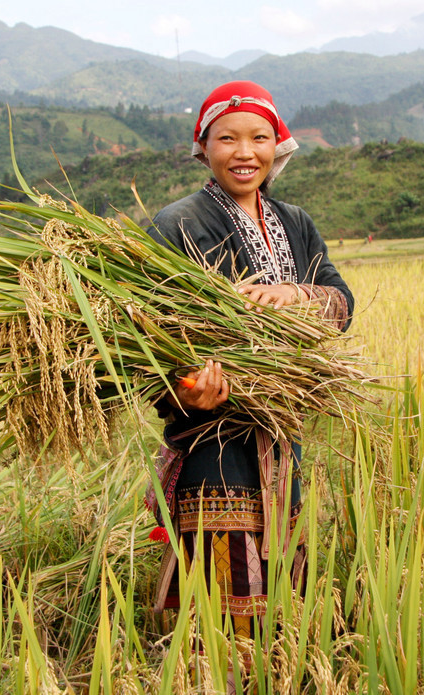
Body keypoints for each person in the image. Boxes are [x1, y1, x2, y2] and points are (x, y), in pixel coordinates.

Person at [143, 81, 353, 664]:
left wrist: (295, 293)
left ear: (278, 146)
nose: (244, 151)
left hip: (282, 441)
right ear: (203, 147)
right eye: (227, 137)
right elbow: (152, 338)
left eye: (259, 137)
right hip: (214, 442)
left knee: (283, 587)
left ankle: (281, 674)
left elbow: (341, 304)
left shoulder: (296, 222)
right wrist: (190, 389)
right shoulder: (178, 224)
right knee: (222, 605)